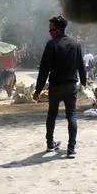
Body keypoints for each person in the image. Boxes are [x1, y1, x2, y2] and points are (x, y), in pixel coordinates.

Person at [32, 15, 87, 158]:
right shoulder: (76, 44)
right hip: (70, 86)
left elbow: (44, 70)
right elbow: (82, 67)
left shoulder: (51, 45)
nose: (50, 32)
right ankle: (71, 149)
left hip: (56, 87)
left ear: (58, 29)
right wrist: (84, 82)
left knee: (52, 114)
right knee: (72, 116)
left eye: (51, 29)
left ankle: (50, 144)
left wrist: (38, 90)